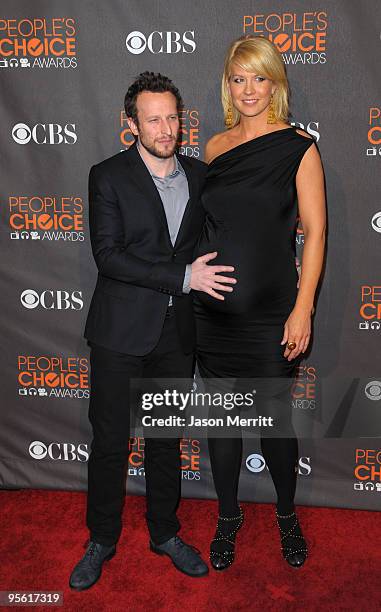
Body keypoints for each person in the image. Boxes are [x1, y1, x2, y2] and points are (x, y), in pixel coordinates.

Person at [69, 71, 237, 590]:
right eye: (153, 119)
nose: (166, 128)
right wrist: (183, 276)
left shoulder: (203, 174)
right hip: (120, 333)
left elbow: (235, 230)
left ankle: (165, 532)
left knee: (165, 441)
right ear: (132, 124)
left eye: (172, 117)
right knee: (111, 443)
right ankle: (101, 538)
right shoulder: (108, 175)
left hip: (175, 335)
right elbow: (109, 256)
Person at [194, 36, 326, 570]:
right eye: (238, 78)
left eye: (259, 78)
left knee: (275, 424)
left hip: (272, 313)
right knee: (223, 427)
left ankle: (287, 514)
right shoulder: (213, 148)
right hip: (213, 314)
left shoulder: (298, 146)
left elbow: (315, 232)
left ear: (275, 84)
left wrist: (304, 308)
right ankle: (228, 516)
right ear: (228, 85)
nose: (249, 89)